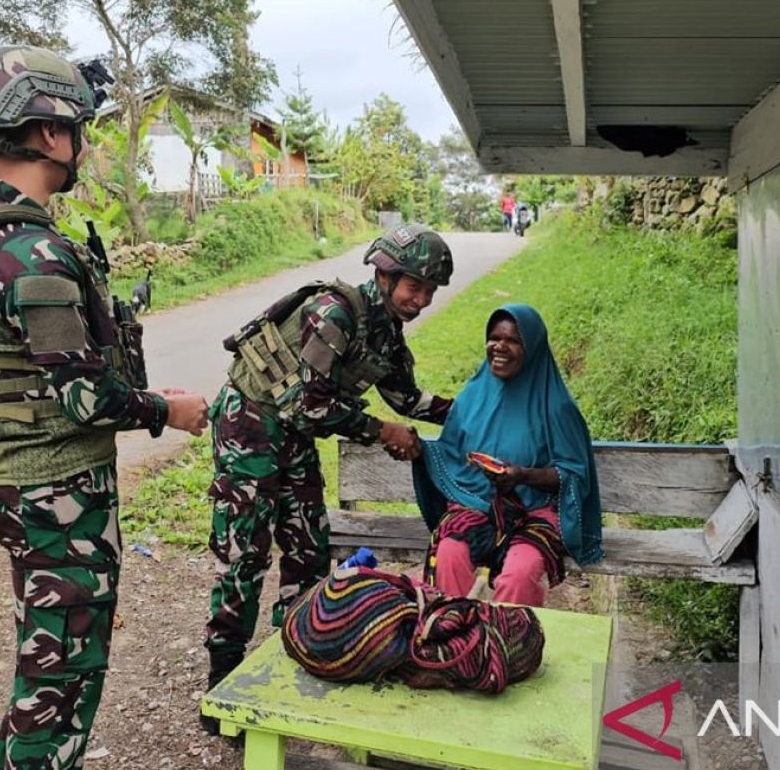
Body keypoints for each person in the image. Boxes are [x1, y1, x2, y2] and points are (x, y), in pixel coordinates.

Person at [0, 46, 209, 770]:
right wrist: (169, 409)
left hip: (33, 490)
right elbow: (83, 396)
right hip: (56, 497)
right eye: (80, 128)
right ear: (50, 134)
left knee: (45, 671)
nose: (84, 143)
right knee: (60, 688)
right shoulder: (30, 251)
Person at [202, 223, 456, 726]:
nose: (422, 299)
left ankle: (292, 654)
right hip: (250, 423)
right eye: (414, 286)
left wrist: (472, 411)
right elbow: (310, 407)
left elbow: (407, 398)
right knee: (245, 553)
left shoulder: (386, 332)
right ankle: (223, 684)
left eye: (429, 291)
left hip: (292, 435)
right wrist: (382, 431)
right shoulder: (334, 313)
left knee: (308, 549)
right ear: (384, 275)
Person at [412, 304, 602, 607]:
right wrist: (419, 449)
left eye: (513, 340)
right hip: (476, 506)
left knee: (518, 575)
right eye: (494, 337)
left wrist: (523, 476)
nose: (500, 346)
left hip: (534, 513)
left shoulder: (555, 405)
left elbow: (574, 474)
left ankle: (510, 645)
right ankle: (452, 640)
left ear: (533, 349)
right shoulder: (473, 396)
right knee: (448, 554)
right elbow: (450, 452)